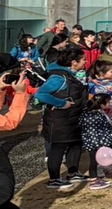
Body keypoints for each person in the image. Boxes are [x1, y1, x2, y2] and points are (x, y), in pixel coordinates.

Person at [36, 47, 89, 190]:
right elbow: (41, 94)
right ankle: (54, 179)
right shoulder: (59, 77)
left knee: (75, 144)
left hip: (74, 118)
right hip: (59, 120)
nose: (86, 62)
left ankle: (73, 172)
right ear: (73, 62)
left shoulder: (74, 74)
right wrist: (61, 103)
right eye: (83, 59)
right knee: (58, 148)